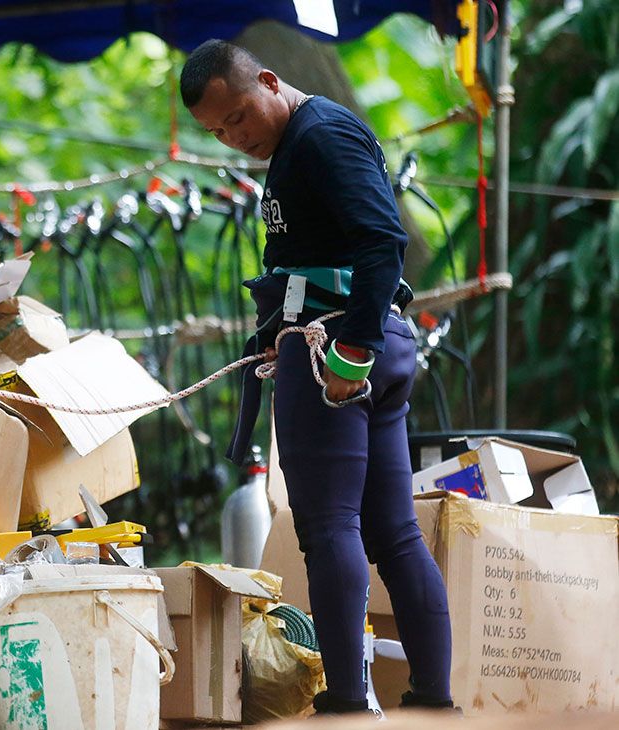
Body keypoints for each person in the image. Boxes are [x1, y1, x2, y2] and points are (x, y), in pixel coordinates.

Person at [178, 40, 454, 714]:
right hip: (365, 342)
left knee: (329, 528)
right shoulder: (298, 145)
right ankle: (432, 699)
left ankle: (348, 705)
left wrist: (347, 355)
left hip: (341, 349)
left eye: (240, 116)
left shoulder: (321, 135)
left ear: (269, 82)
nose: (236, 137)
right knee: (392, 531)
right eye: (219, 131)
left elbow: (382, 240)